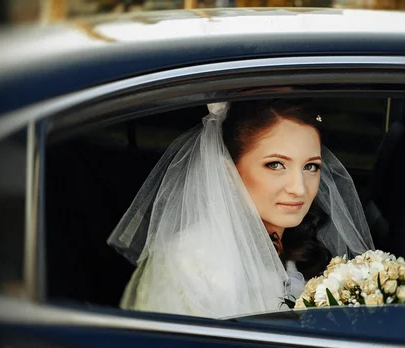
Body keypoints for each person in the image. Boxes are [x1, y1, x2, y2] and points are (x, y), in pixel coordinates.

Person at [108, 99, 374, 318]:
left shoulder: (298, 239)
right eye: (276, 165)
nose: (299, 188)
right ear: (229, 172)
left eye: (310, 166)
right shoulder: (193, 262)